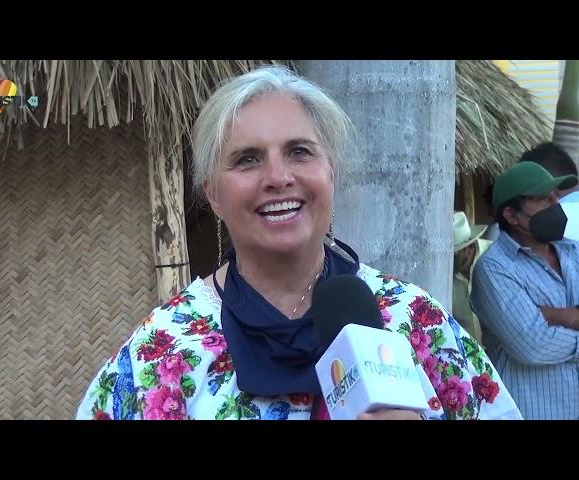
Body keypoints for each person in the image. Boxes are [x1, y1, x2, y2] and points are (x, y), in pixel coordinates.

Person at [77, 65, 521, 420]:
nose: (278, 178)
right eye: (247, 160)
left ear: (332, 171)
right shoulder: (164, 354)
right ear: (212, 193)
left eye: (299, 151)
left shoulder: (416, 323)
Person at [471, 158, 579, 419]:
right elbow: (533, 345)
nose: (556, 205)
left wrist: (553, 316)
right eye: (543, 199)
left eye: (555, 196)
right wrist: (572, 317)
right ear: (511, 215)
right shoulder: (495, 268)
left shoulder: (572, 252)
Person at [452, 211, 491, 345]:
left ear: (469, 247)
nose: (450, 261)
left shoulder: (493, 258)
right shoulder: (443, 275)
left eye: (454, 254)